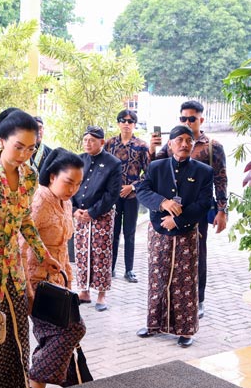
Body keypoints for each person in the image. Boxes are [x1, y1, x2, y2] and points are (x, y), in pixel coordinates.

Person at [0, 108, 60, 388]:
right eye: (18, 146)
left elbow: (24, 220)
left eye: (31, 147)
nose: (24, 154)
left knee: (15, 335)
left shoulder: (30, 176)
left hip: (13, 269)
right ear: (1, 141)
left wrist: (43, 255)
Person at [136, 125, 213, 348]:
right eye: (179, 139)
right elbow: (142, 190)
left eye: (189, 140)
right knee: (157, 279)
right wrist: (163, 203)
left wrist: (177, 220)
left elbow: (204, 203)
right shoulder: (156, 167)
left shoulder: (203, 171)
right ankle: (154, 324)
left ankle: (186, 330)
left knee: (185, 281)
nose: (184, 144)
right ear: (170, 144)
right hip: (159, 232)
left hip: (186, 233)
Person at [150, 101, 227, 318]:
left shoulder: (212, 146)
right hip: (170, 210)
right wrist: (153, 148)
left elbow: (221, 179)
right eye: (183, 118)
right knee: (168, 256)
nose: (187, 122)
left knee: (197, 254)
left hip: (196, 210)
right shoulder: (171, 143)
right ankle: (169, 301)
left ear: (200, 120)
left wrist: (222, 211)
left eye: (191, 119)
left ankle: (198, 299)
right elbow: (156, 170)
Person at [22, 148, 87, 388]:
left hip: (58, 283)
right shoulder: (38, 201)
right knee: (72, 329)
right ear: (51, 177)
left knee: (57, 335)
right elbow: (23, 245)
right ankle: (34, 379)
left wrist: (69, 280)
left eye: (78, 184)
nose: (73, 189)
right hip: (38, 285)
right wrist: (28, 290)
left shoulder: (66, 202)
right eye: (68, 182)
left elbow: (63, 248)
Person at [73, 126, 122, 312]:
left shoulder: (113, 163)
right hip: (80, 214)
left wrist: (93, 212)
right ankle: (83, 291)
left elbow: (112, 194)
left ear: (102, 142)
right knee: (81, 252)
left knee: (101, 253)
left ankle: (102, 294)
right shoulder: (78, 160)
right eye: (85, 139)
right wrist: (75, 209)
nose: (88, 143)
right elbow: (70, 184)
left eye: (92, 140)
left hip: (101, 215)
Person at [105, 110, 150, 284]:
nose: (126, 123)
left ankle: (129, 269)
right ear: (118, 123)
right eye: (122, 120)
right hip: (114, 196)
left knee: (129, 233)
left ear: (134, 124)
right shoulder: (110, 144)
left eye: (130, 121)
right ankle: (111, 267)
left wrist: (132, 186)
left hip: (132, 196)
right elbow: (105, 169)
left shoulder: (141, 146)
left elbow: (149, 174)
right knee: (113, 232)